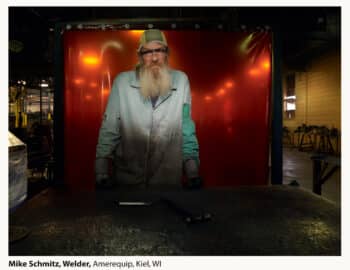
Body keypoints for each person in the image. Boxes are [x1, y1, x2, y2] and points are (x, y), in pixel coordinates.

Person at [95, 29, 201, 189]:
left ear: (167, 53)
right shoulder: (122, 83)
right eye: (147, 52)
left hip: (167, 180)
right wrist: (101, 172)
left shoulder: (181, 81)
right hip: (128, 179)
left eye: (159, 50)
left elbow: (186, 127)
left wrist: (193, 173)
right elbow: (110, 128)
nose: (154, 57)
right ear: (140, 56)